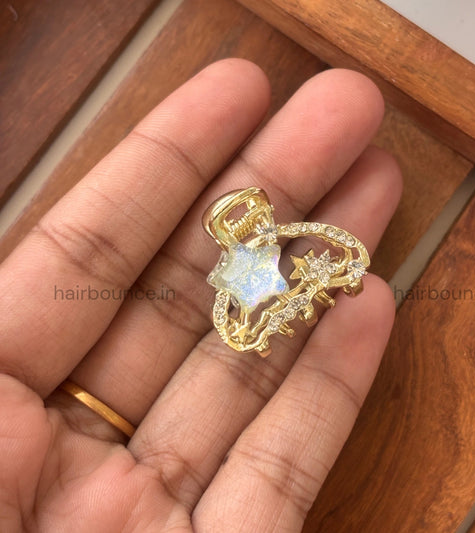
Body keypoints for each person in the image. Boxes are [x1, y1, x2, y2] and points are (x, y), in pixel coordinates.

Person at [0, 59, 401, 531]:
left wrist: (329, 273)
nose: (249, 224)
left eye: (251, 215)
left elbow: (336, 250)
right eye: (238, 222)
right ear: (228, 232)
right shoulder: (234, 270)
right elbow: (237, 317)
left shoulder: (282, 239)